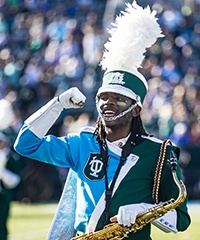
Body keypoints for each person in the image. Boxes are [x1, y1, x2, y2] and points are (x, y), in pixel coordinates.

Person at [14, 1, 190, 239]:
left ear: (136, 110)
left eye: (118, 99)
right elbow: (25, 144)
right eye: (103, 97)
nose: (108, 103)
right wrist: (57, 105)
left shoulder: (158, 153)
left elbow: (180, 220)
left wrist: (146, 210)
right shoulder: (81, 143)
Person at [0, 132, 21, 240]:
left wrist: (3, 172)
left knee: (1, 222)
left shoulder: (12, 157)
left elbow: (15, 180)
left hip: (3, 195)